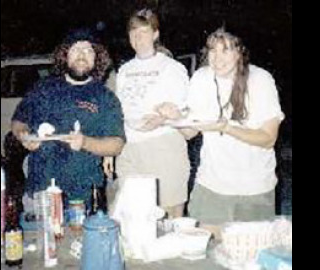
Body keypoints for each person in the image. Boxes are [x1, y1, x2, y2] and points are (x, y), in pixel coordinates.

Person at [182, 28, 284, 227]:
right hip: (211, 187)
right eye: (213, 50)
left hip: (254, 190)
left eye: (225, 50)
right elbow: (189, 132)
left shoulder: (261, 80)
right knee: (205, 253)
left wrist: (227, 128)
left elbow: (268, 138)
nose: (217, 58)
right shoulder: (201, 78)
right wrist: (173, 118)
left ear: (240, 52)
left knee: (249, 255)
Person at [11, 30, 126, 208]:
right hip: (40, 193)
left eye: (88, 50)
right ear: (65, 55)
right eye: (75, 49)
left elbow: (116, 144)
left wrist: (85, 142)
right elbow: (18, 121)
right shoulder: (43, 88)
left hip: (82, 196)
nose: (81, 55)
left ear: (97, 58)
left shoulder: (105, 97)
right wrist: (23, 135)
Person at [104, 9, 190, 218]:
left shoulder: (173, 68)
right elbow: (115, 112)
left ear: (155, 34)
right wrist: (109, 149)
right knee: (133, 216)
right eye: (133, 33)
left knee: (169, 216)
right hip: (129, 149)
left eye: (144, 32)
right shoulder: (124, 71)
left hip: (163, 145)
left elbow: (185, 110)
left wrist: (163, 118)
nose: (138, 38)